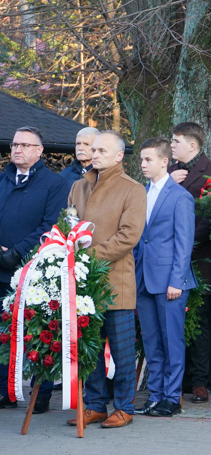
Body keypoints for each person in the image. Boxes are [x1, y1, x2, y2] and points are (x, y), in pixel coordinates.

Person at [66, 130, 146, 428]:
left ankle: (124, 407)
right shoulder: (78, 186)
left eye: (101, 150)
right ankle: (96, 404)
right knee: (90, 348)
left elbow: (129, 236)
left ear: (119, 156)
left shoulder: (132, 189)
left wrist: (89, 258)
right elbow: (67, 226)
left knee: (123, 351)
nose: (93, 153)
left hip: (115, 282)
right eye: (91, 148)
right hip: (82, 284)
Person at [0, 126, 68, 413]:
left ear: (40, 151)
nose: (18, 149)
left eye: (25, 145)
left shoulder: (55, 184)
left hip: (34, 269)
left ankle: (41, 393)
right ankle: (6, 391)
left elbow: (51, 225)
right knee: (4, 331)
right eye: (15, 144)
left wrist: (15, 252)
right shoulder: (2, 179)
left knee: (38, 331)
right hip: (0, 269)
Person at [133, 137, 197, 418]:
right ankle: (155, 396)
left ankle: (172, 398)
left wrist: (177, 280)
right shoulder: (141, 193)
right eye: (141, 160)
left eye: (148, 159)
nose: (143, 164)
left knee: (172, 341)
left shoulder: (180, 196)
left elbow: (184, 242)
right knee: (151, 342)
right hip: (143, 278)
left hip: (170, 280)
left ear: (164, 161)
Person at [168, 121, 211, 404]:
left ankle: (201, 381)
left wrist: (181, 246)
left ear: (192, 145)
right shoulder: (166, 173)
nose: (171, 146)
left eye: (176, 141)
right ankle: (175, 379)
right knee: (172, 321)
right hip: (166, 261)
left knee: (200, 321)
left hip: (198, 257)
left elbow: (210, 218)